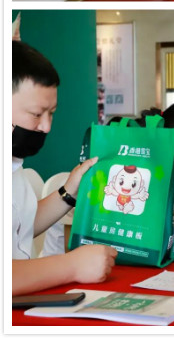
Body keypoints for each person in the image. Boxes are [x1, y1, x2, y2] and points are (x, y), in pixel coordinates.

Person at [12, 41, 117, 295]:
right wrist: (73, 265)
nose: (46, 126)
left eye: (52, 113)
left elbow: (19, 225)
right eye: (37, 114)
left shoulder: (13, 164)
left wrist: (69, 191)